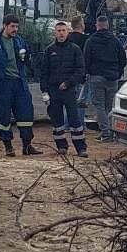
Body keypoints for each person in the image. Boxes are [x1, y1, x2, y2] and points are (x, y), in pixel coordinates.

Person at [0, 16, 39, 156]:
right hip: (3, 85)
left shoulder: (20, 41)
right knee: (3, 116)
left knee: (26, 114)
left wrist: (28, 58)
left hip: (20, 83)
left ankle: (27, 146)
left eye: (16, 26)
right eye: (12, 26)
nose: (15, 29)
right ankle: (8, 146)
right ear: (5, 26)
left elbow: (28, 60)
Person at [40, 18, 89, 156]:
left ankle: (81, 148)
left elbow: (80, 70)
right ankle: (61, 146)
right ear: (55, 33)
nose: (61, 33)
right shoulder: (50, 50)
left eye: (63, 31)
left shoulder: (75, 49)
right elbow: (44, 72)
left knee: (74, 120)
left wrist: (68, 83)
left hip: (69, 90)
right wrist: (44, 91)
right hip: (53, 91)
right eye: (59, 31)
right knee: (57, 121)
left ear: (68, 32)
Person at [84, 15, 127, 138]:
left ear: (97, 26)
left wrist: (87, 74)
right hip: (112, 78)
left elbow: (86, 60)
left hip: (96, 77)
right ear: (107, 26)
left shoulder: (91, 41)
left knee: (99, 106)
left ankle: (105, 132)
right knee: (108, 106)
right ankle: (108, 129)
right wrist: (118, 73)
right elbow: (123, 59)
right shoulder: (115, 41)